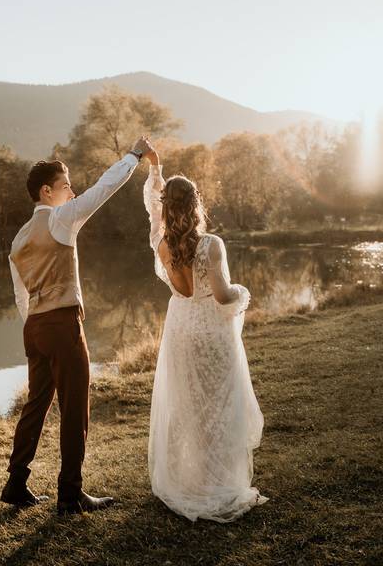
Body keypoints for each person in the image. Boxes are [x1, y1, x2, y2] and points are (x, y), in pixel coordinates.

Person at [1, 136, 152, 514]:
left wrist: (35, 324)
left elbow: (21, 296)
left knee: (36, 404)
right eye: (66, 185)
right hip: (62, 323)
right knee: (74, 407)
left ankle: (16, 483)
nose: (72, 191)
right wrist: (133, 155)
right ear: (47, 190)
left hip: (34, 326)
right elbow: (105, 188)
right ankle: (70, 494)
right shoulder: (61, 219)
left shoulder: (18, 239)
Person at [142, 145, 267, 522]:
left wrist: (154, 168)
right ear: (196, 205)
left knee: (189, 408)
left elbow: (151, 206)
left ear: (166, 207)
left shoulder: (161, 243)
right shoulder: (211, 245)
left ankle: (190, 481)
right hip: (211, 332)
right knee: (219, 407)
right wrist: (243, 294)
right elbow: (223, 295)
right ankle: (219, 483)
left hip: (181, 330)